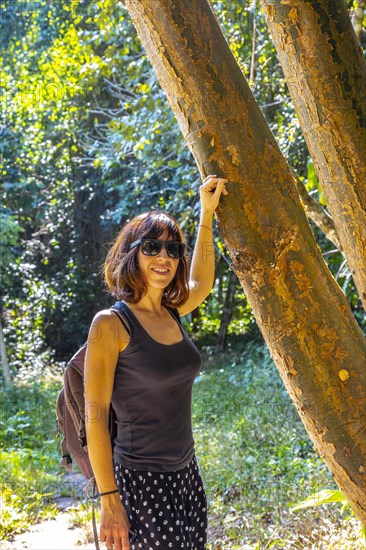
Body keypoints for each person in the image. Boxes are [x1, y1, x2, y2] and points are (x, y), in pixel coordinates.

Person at [84, 175, 228, 550]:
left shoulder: (172, 312)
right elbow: (95, 412)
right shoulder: (110, 325)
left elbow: (202, 280)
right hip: (140, 481)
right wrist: (109, 499)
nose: (164, 257)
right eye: (152, 247)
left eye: (172, 249)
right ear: (132, 253)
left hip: (186, 474)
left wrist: (206, 216)